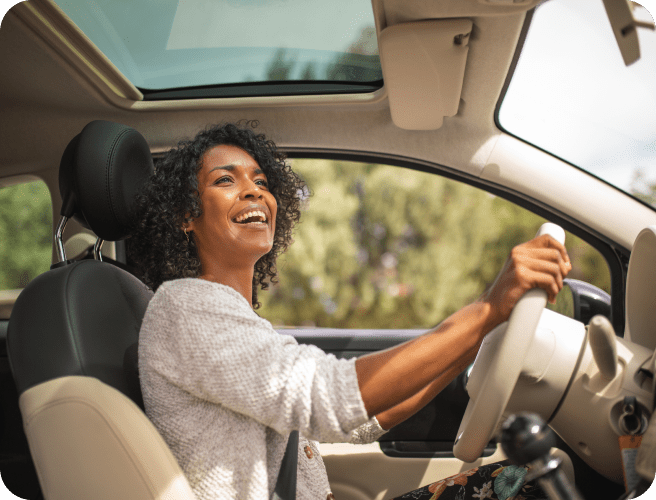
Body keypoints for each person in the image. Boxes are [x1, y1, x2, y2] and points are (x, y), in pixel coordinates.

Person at [130, 122, 571, 500]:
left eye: (262, 182)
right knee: (534, 483)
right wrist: (488, 308)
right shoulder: (186, 307)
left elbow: (359, 423)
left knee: (526, 476)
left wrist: (476, 337)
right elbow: (331, 398)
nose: (253, 191)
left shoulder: (237, 321)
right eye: (225, 180)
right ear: (186, 215)